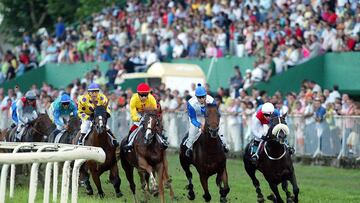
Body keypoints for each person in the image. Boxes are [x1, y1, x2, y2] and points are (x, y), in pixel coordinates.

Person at [184, 83, 229, 157]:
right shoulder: (191, 103)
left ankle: (224, 145)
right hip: (196, 117)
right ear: (196, 96)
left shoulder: (211, 100)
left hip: (208, 117)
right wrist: (199, 125)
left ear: (206, 95)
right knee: (193, 131)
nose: (202, 99)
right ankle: (189, 148)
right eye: (199, 97)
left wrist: (212, 123)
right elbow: (193, 119)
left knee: (219, 129)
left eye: (203, 97)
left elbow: (214, 113)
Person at [123, 83, 168, 151]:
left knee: (154, 126)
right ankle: (130, 143)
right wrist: (139, 119)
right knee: (136, 126)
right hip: (138, 114)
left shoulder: (151, 98)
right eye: (141, 95)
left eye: (145, 95)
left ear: (148, 94)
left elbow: (155, 112)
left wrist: (155, 119)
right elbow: (133, 114)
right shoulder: (134, 99)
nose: (144, 97)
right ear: (138, 93)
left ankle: (162, 140)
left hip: (149, 113)